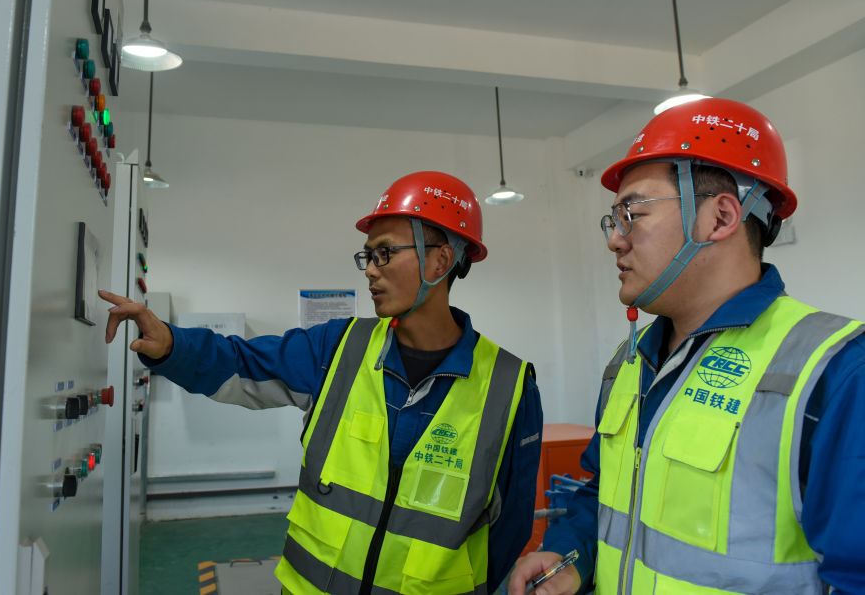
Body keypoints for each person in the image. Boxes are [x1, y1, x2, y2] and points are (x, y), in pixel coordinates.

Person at [101, 170, 543, 594]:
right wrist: (172, 345)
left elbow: (507, 529)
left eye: (385, 253)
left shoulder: (510, 386)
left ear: (441, 260)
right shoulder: (338, 349)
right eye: (367, 256)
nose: (370, 270)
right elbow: (242, 361)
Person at [509, 98, 865, 595]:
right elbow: (607, 492)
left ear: (719, 218)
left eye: (632, 213)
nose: (615, 240)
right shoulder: (629, 362)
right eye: (614, 219)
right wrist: (573, 556)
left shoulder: (836, 370)